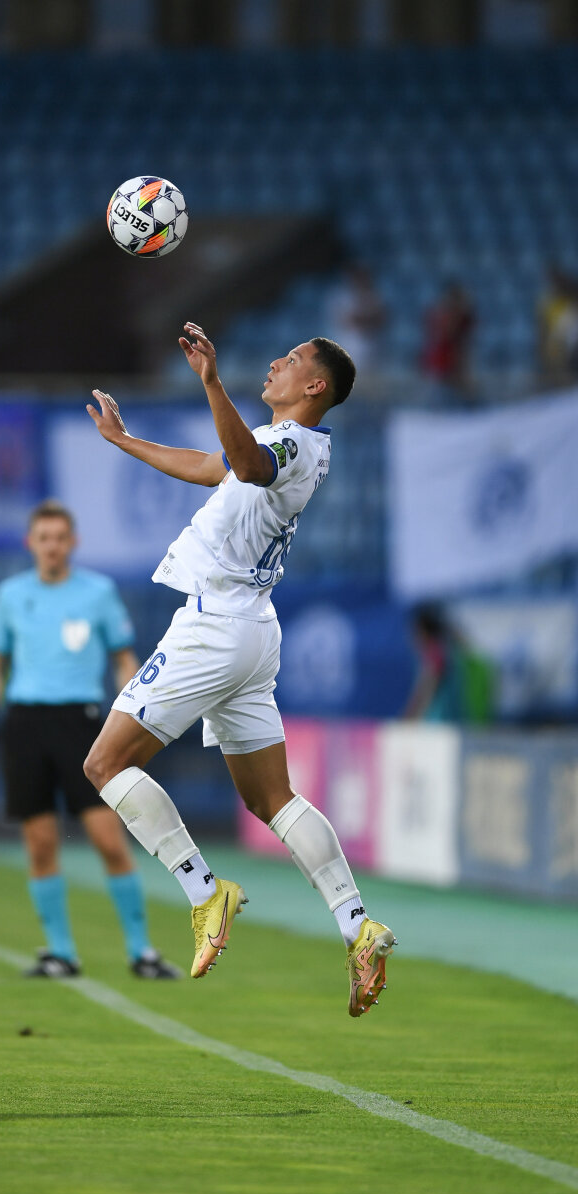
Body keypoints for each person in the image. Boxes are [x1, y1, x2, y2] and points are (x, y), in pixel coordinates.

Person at [82, 323, 396, 1017]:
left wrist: (212, 382)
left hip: (215, 628)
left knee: (105, 765)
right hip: (253, 628)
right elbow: (213, 464)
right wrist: (124, 440)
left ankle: (205, 893)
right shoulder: (294, 444)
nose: (277, 362)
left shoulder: (288, 445)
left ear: (315, 385)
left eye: (293, 359)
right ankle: (357, 926)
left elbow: (247, 465)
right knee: (272, 797)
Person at [0, 498, 181, 980]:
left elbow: (124, 659)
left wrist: (136, 713)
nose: (52, 547)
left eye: (60, 538)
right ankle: (61, 952)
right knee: (41, 844)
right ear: (31, 543)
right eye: (44, 538)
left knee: (109, 840)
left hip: (81, 725)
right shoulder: (11, 595)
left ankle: (142, 951)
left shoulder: (98, 593)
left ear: (73, 542)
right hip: (25, 724)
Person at [405, 605, 494, 724]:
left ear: (423, 632)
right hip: (458, 721)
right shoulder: (452, 652)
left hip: (439, 724)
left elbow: (424, 694)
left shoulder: (435, 655)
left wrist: (408, 722)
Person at [326, 264, 388, 373]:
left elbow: (382, 320)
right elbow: (349, 320)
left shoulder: (375, 295)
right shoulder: (341, 297)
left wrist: (367, 319)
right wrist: (369, 318)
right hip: (348, 351)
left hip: (373, 353)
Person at [421, 282, 475, 397]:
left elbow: (467, 332)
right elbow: (439, 333)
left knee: (460, 389)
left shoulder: (464, 318)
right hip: (443, 360)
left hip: (457, 358)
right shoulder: (441, 315)